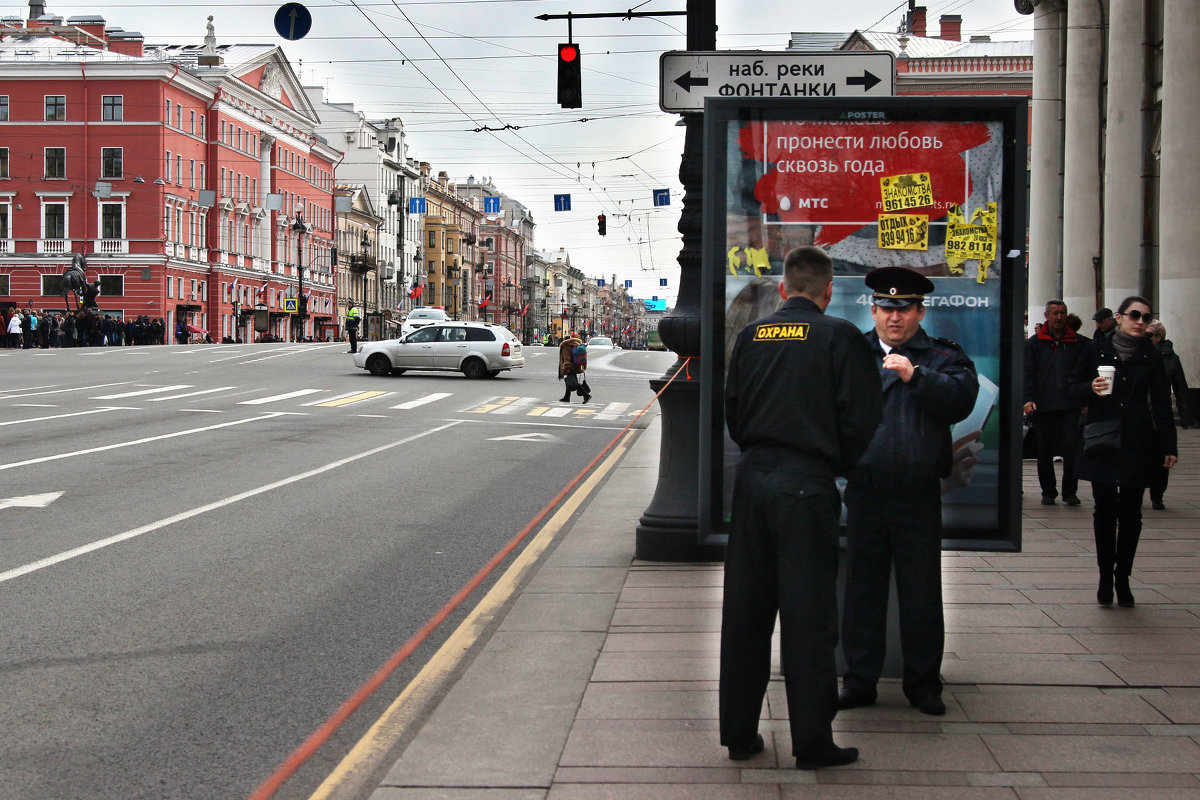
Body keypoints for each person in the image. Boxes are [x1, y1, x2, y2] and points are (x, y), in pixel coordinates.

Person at [721, 245, 881, 770]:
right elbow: (862, 418)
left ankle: (739, 734)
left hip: (753, 482)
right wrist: (834, 464)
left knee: (746, 612)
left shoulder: (752, 336)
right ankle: (812, 741)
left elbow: (734, 411)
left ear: (783, 289)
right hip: (807, 484)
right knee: (809, 616)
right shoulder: (841, 337)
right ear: (828, 291)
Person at [839, 267, 979, 717]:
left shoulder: (942, 356)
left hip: (917, 493)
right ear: (873, 310)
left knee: (921, 594)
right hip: (866, 490)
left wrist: (915, 375)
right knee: (863, 592)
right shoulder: (852, 352)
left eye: (903, 309)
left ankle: (923, 685)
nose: (893, 317)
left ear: (920, 312)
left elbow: (961, 401)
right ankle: (859, 680)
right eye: (886, 308)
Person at [1070, 296, 1177, 606]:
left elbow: (1161, 403)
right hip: (1103, 437)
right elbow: (1072, 386)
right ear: (1119, 317)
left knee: (1131, 513)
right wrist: (1090, 388)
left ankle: (1123, 577)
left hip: (1138, 441)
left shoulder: (1151, 355)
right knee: (1104, 510)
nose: (1140, 321)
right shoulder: (1096, 349)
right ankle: (1105, 576)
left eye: (1146, 317)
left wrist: (1169, 445)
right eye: (1134, 315)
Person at [1024, 300, 1087, 506]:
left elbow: (1085, 373)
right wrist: (1028, 398)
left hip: (1071, 405)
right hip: (1044, 405)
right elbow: (1027, 373)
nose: (1059, 317)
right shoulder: (1035, 343)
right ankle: (1048, 491)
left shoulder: (1078, 343)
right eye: (1055, 313)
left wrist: (1084, 399)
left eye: (1062, 313)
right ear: (1046, 316)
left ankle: (1070, 492)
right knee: (1044, 450)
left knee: (1071, 449)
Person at [1145, 320, 1190, 510]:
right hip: (1139, 411)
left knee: (1162, 454)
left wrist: (1185, 415)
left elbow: (1180, 387)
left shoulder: (1170, 358)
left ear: (1159, 337)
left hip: (1160, 411)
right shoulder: (1139, 354)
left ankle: (1157, 495)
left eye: (1150, 335)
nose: (1147, 338)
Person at [557, 333, 588, 403]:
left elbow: (567, 358)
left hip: (570, 367)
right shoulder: (576, 344)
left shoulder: (566, 346)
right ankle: (567, 397)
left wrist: (567, 368)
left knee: (573, 383)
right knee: (569, 381)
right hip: (576, 366)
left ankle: (586, 395)